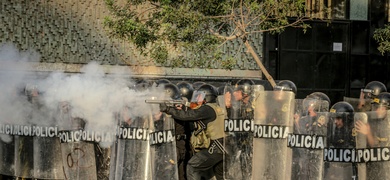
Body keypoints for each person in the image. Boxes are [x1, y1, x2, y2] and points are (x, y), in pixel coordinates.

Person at [159, 84, 226, 180]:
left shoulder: (207, 109)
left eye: (199, 96)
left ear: (206, 97)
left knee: (193, 166)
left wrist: (168, 109)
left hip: (217, 146)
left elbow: (188, 115)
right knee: (219, 175)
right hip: (222, 146)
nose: (196, 99)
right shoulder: (215, 108)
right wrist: (182, 107)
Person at [355, 92, 390, 179]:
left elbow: (380, 149)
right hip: (373, 169)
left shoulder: (387, 124)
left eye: (380, 108)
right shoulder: (375, 121)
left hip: (385, 170)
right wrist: (361, 105)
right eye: (376, 107)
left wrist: (368, 133)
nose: (377, 110)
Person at [324, 101, 355, 180]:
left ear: (346, 118)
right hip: (333, 168)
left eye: (338, 118)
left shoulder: (355, 133)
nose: (335, 122)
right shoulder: (332, 130)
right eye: (334, 118)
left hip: (348, 170)